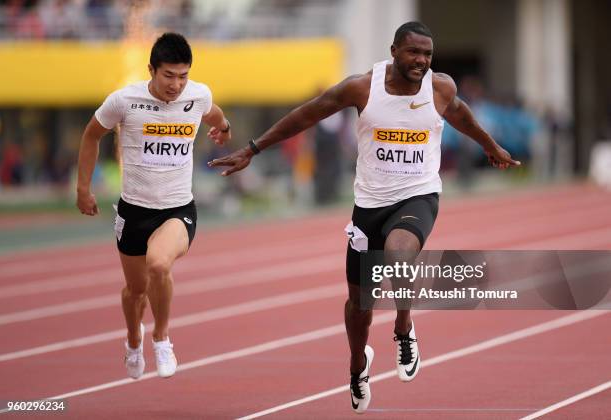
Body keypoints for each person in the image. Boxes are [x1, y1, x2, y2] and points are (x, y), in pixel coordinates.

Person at [208, 21, 520, 413]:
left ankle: (404, 328)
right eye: (413, 53)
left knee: (399, 254)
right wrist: (253, 148)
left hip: (418, 195)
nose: (421, 61)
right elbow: (309, 113)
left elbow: (461, 116)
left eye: (427, 54)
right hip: (369, 205)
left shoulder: (440, 88)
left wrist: (492, 147)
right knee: (359, 306)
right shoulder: (362, 86)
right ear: (394, 51)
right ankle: (358, 366)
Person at [76, 33, 231, 380]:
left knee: (159, 264)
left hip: (178, 209)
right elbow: (91, 134)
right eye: (168, 76)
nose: (176, 85)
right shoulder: (124, 100)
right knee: (135, 292)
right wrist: (83, 188)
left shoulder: (198, 95)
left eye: (183, 75)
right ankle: (134, 338)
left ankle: (161, 337)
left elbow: (215, 114)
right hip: (134, 211)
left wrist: (224, 128)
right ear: (151, 70)